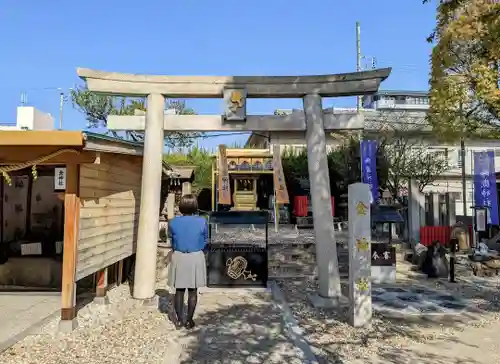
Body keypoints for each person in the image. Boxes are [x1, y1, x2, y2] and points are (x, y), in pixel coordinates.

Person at [167, 194, 208, 329]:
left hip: (179, 255)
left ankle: (179, 320)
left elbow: (172, 241)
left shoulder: (173, 222)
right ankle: (189, 320)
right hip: (196, 255)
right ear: (195, 206)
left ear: (181, 206)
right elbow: (206, 239)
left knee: (179, 290)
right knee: (192, 290)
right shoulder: (202, 221)